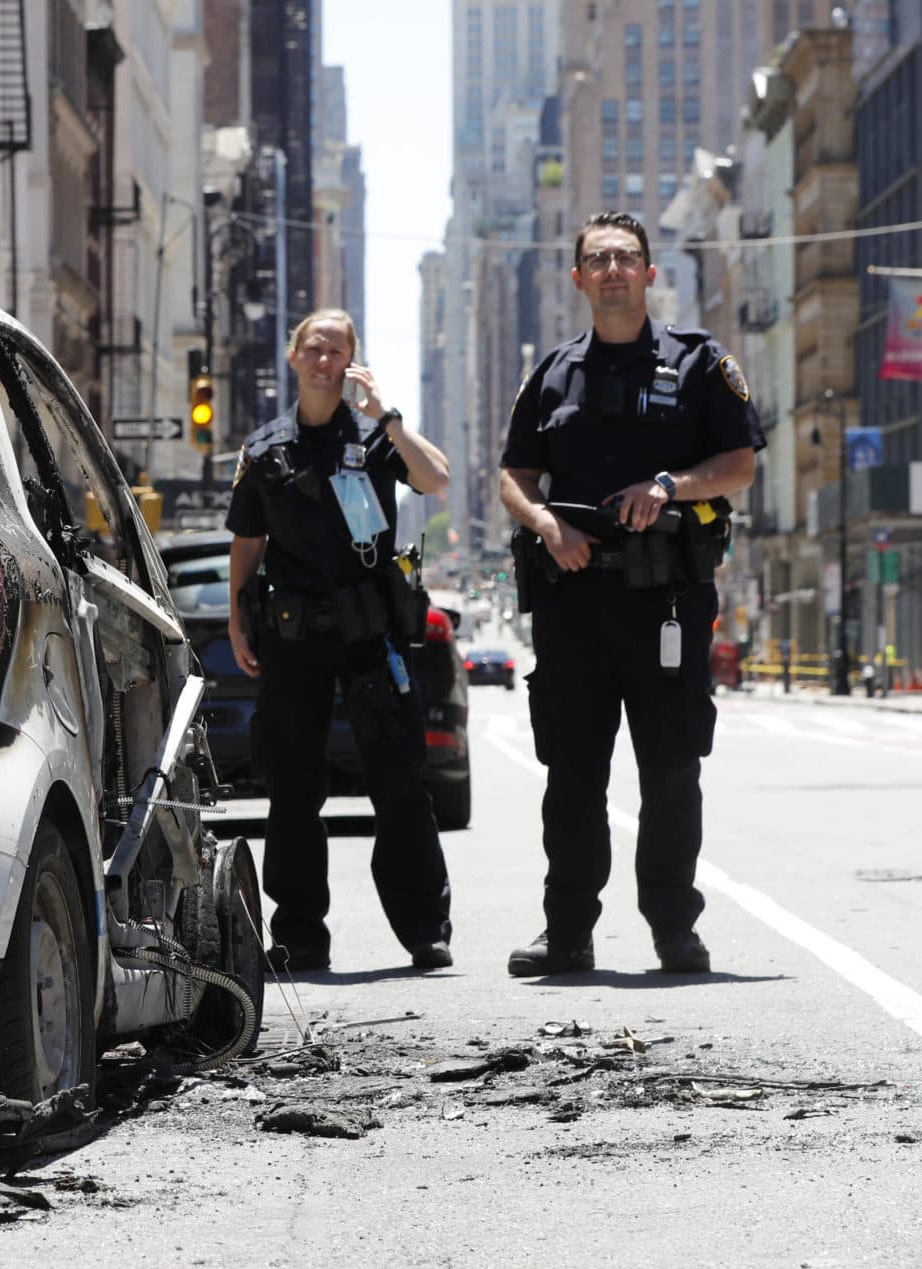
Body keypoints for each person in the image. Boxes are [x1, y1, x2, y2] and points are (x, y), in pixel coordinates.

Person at [499, 212, 764, 976]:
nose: (612, 269)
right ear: (578, 278)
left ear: (650, 274)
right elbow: (515, 477)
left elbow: (740, 463)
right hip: (574, 598)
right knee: (573, 773)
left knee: (673, 769)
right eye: (597, 260)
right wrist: (549, 526)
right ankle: (567, 931)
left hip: (669, 601)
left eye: (626, 258)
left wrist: (670, 486)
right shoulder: (551, 374)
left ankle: (674, 928)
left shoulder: (699, 362)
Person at [225, 309, 455, 972]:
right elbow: (248, 541)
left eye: (338, 351)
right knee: (294, 789)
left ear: (353, 363)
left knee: (400, 783)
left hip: (370, 633)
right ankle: (299, 935)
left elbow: (436, 480)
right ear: (295, 358)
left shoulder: (376, 438)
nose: (325, 360)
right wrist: (240, 620)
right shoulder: (264, 448)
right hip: (294, 637)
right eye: (315, 349)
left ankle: (424, 931)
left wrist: (389, 417)